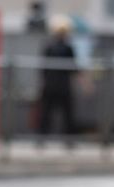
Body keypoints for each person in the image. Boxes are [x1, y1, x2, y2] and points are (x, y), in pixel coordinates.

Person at [37, 15, 77, 145]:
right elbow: (74, 68)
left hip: (51, 85)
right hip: (62, 85)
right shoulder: (67, 48)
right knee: (65, 114)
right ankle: (68, 140)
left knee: (47, 113)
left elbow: (43, 69)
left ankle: (42, 139)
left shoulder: (49, 46)